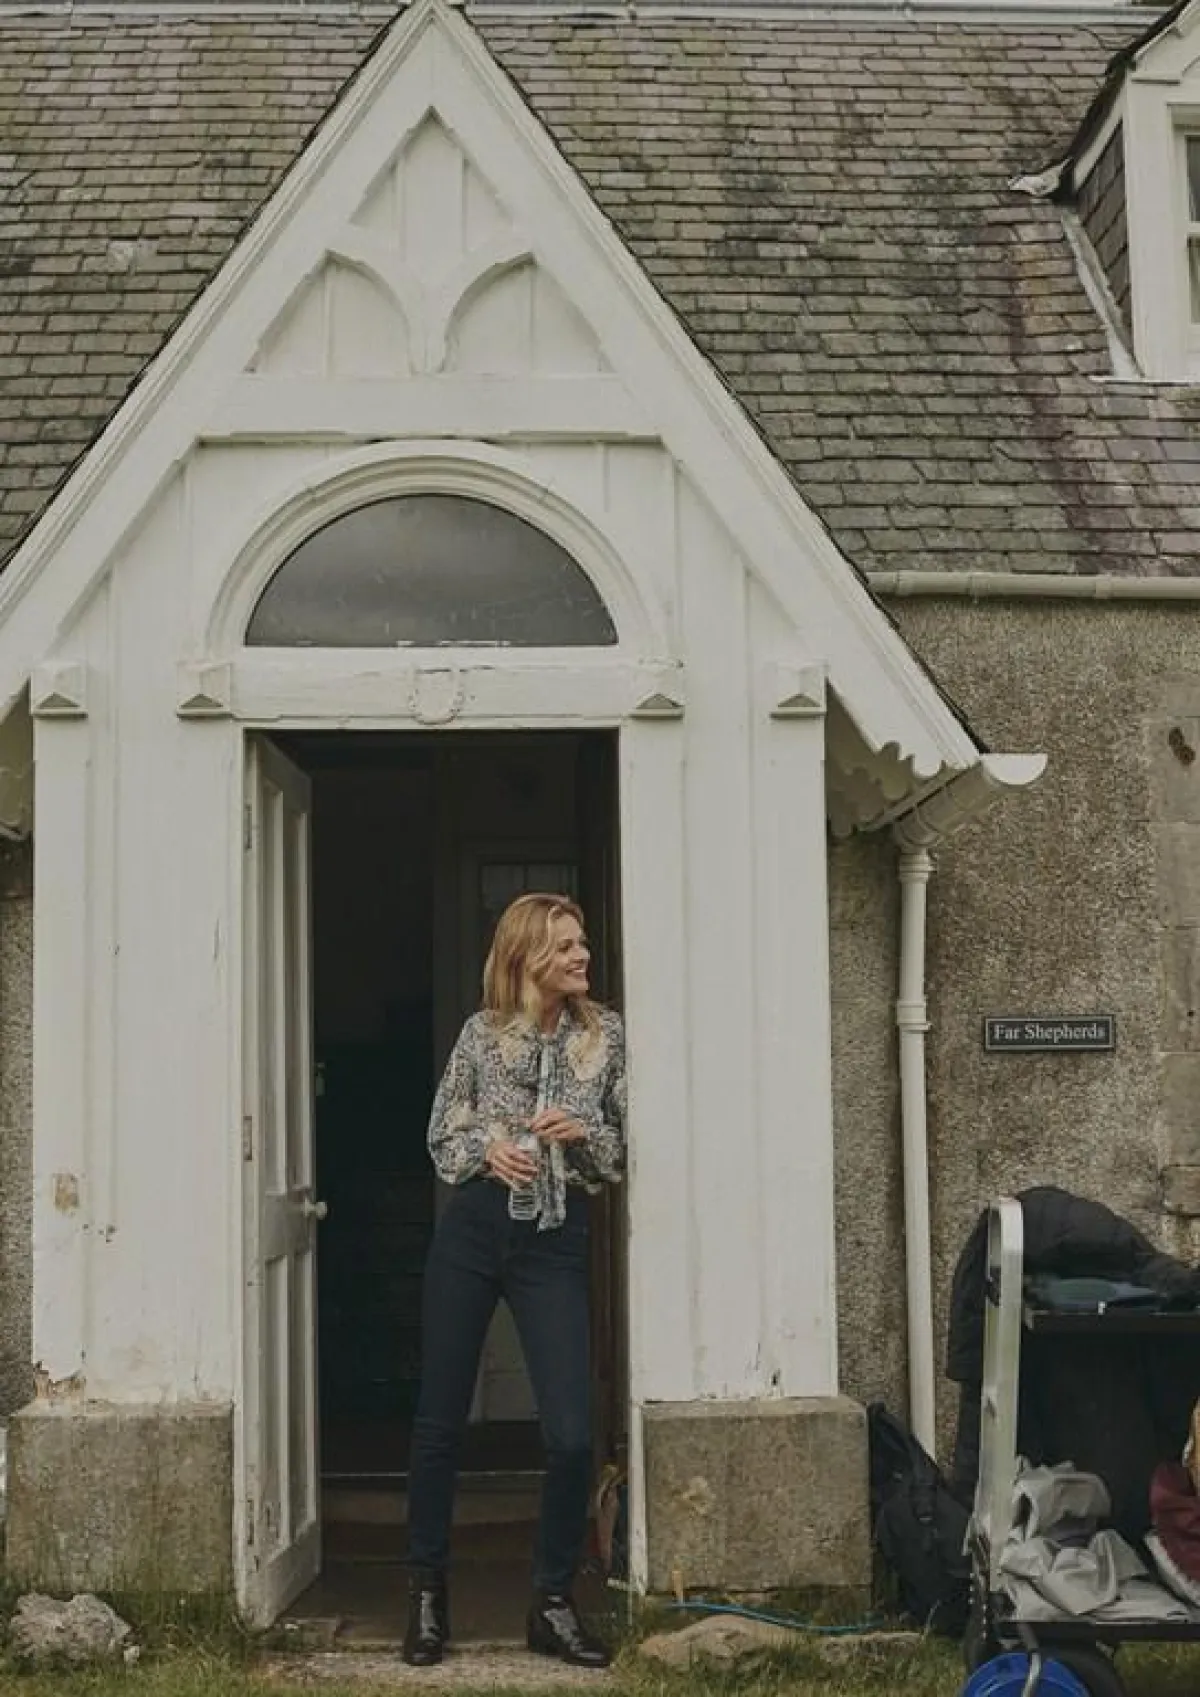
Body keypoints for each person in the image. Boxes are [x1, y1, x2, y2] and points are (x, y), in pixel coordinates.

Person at [403, 892, 626, 1669]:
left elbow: (622, 1148)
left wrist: (584, 1131)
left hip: (554, 1239)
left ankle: (552, 1602)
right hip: (473, 1230)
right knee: (439, 1421)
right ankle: (426, 1595)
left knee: (570, 1433)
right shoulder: (481, 1034)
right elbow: (443, 1131)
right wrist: (488, 1150)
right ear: (527, 956)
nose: (581, 955)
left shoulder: (604, 1038)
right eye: (564, 946)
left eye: (582, 942)